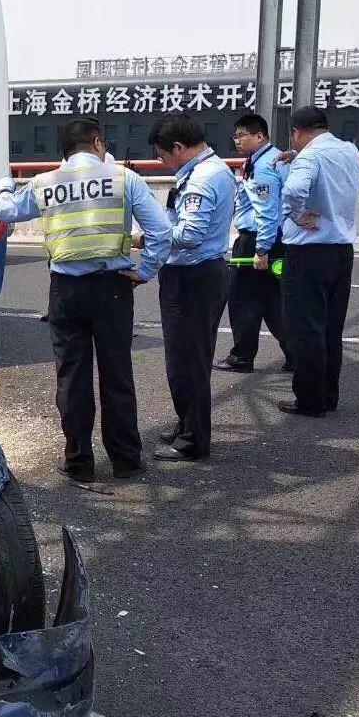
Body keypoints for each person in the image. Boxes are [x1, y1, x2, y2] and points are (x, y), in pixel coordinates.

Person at [0, 118, 172, 483]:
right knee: (117, 373)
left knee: (72, 377)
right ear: (96, 142)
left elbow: (5, 212)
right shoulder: (124, 178)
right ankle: (125, 460)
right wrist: (147, 270)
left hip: (65, 291)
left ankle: (79, 462)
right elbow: (161, 230)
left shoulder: (45, 183)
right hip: (114, 288)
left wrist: (3, 184)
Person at [146, 114, 235, 462]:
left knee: (188, 363)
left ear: (179, 148)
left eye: (162, 154)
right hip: (202, 275)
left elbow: (190, 235)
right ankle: (187, 425)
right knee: (186, 360)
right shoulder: (213, 169)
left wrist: (147, 236)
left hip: (193, 279)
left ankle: (193, 440)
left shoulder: (201, 180)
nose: (161, 162)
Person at [278, 106, 359, 417]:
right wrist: (295, 156)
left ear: (297, 132)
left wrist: (297, 214)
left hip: (309, 253)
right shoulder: (349, 150)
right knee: (331, 328)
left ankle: (310, 400)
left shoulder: (309, 158)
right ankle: (328, 395)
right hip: (342, 252)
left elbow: (293, 190)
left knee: (306, 329)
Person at [213, 113, 293, 373]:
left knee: (242, 299)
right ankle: (296, 353)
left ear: (260, 136)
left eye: (242, 135)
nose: (237, 140)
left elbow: (267, 211)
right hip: (275, 239)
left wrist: (261, 250)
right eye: (235, 135)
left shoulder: (265, 166)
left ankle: (242, 357)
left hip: (258, 239)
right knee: (273, 300)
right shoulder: (270, 159)